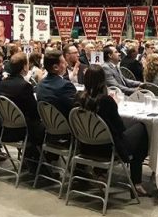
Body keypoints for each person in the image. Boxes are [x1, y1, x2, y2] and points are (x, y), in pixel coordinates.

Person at [75, 65, 151, 196]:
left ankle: (100, 172)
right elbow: (119, 127)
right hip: (107, 149)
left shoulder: (78, 97)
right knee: (142, 128)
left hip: (85, 145)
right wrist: (114, 105)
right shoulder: (106, 101)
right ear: (102, 81)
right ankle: (136, 181)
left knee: (129, 130)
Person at [0, 52, 44, 160]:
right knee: (47, 128)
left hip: (5, 127)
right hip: (23, 130)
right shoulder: (25, 86)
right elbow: (34, 112)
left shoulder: (2, 83)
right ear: (24, 67)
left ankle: (29, 160)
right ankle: (38, 163)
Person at [35, 49, 77, 119]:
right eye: (64, 62)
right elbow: (76, 110)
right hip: (67, 126)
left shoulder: (40, 84)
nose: (66, 64)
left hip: (49, 124)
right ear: (55, 67)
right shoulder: (66, 86)